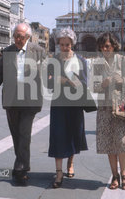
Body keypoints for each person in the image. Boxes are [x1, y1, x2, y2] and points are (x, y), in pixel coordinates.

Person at [0, 23, 46, 186]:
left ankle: (20, 168)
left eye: (21, 37)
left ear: (28, 37)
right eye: (15, 36)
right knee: (16, 134)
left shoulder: (38, 51)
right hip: (12, 99)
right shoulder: (7, 51)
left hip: (30, 100)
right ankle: (22, 162)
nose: (18, 39)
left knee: (24, 133)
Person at [94, 32, 125, 191]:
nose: (104, 49)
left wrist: (122, 80)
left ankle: (124, 173)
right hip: (105, 108)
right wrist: (103, 84)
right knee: (108, 142)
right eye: (101, 46)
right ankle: (115, 175)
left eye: (107, 46)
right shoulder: (98, 63)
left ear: (114, 45)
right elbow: (94, 86)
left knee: (122, 142)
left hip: (122, 106)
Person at [47, 28, 88, 188]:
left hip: (75, 104)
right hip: (58, 103)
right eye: (62, 44)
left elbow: (84, 84)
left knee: (72, 134)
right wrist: (55, 80)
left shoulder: (81, 61)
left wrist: (66, 81)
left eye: (67, 45)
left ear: (73, 44)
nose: (64, 48)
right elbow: (48, 83)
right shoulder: (54, 60)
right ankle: (58, 172)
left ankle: (70, 164)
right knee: (58, 135)